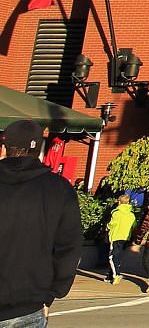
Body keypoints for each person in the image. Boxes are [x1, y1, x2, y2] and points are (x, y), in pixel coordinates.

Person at [0, 121, 82, 327]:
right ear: (39, 150)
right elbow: (69, 247)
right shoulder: (60, 189)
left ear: (3, 147)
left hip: (29, 302)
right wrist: (53, 293)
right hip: (29, 301)